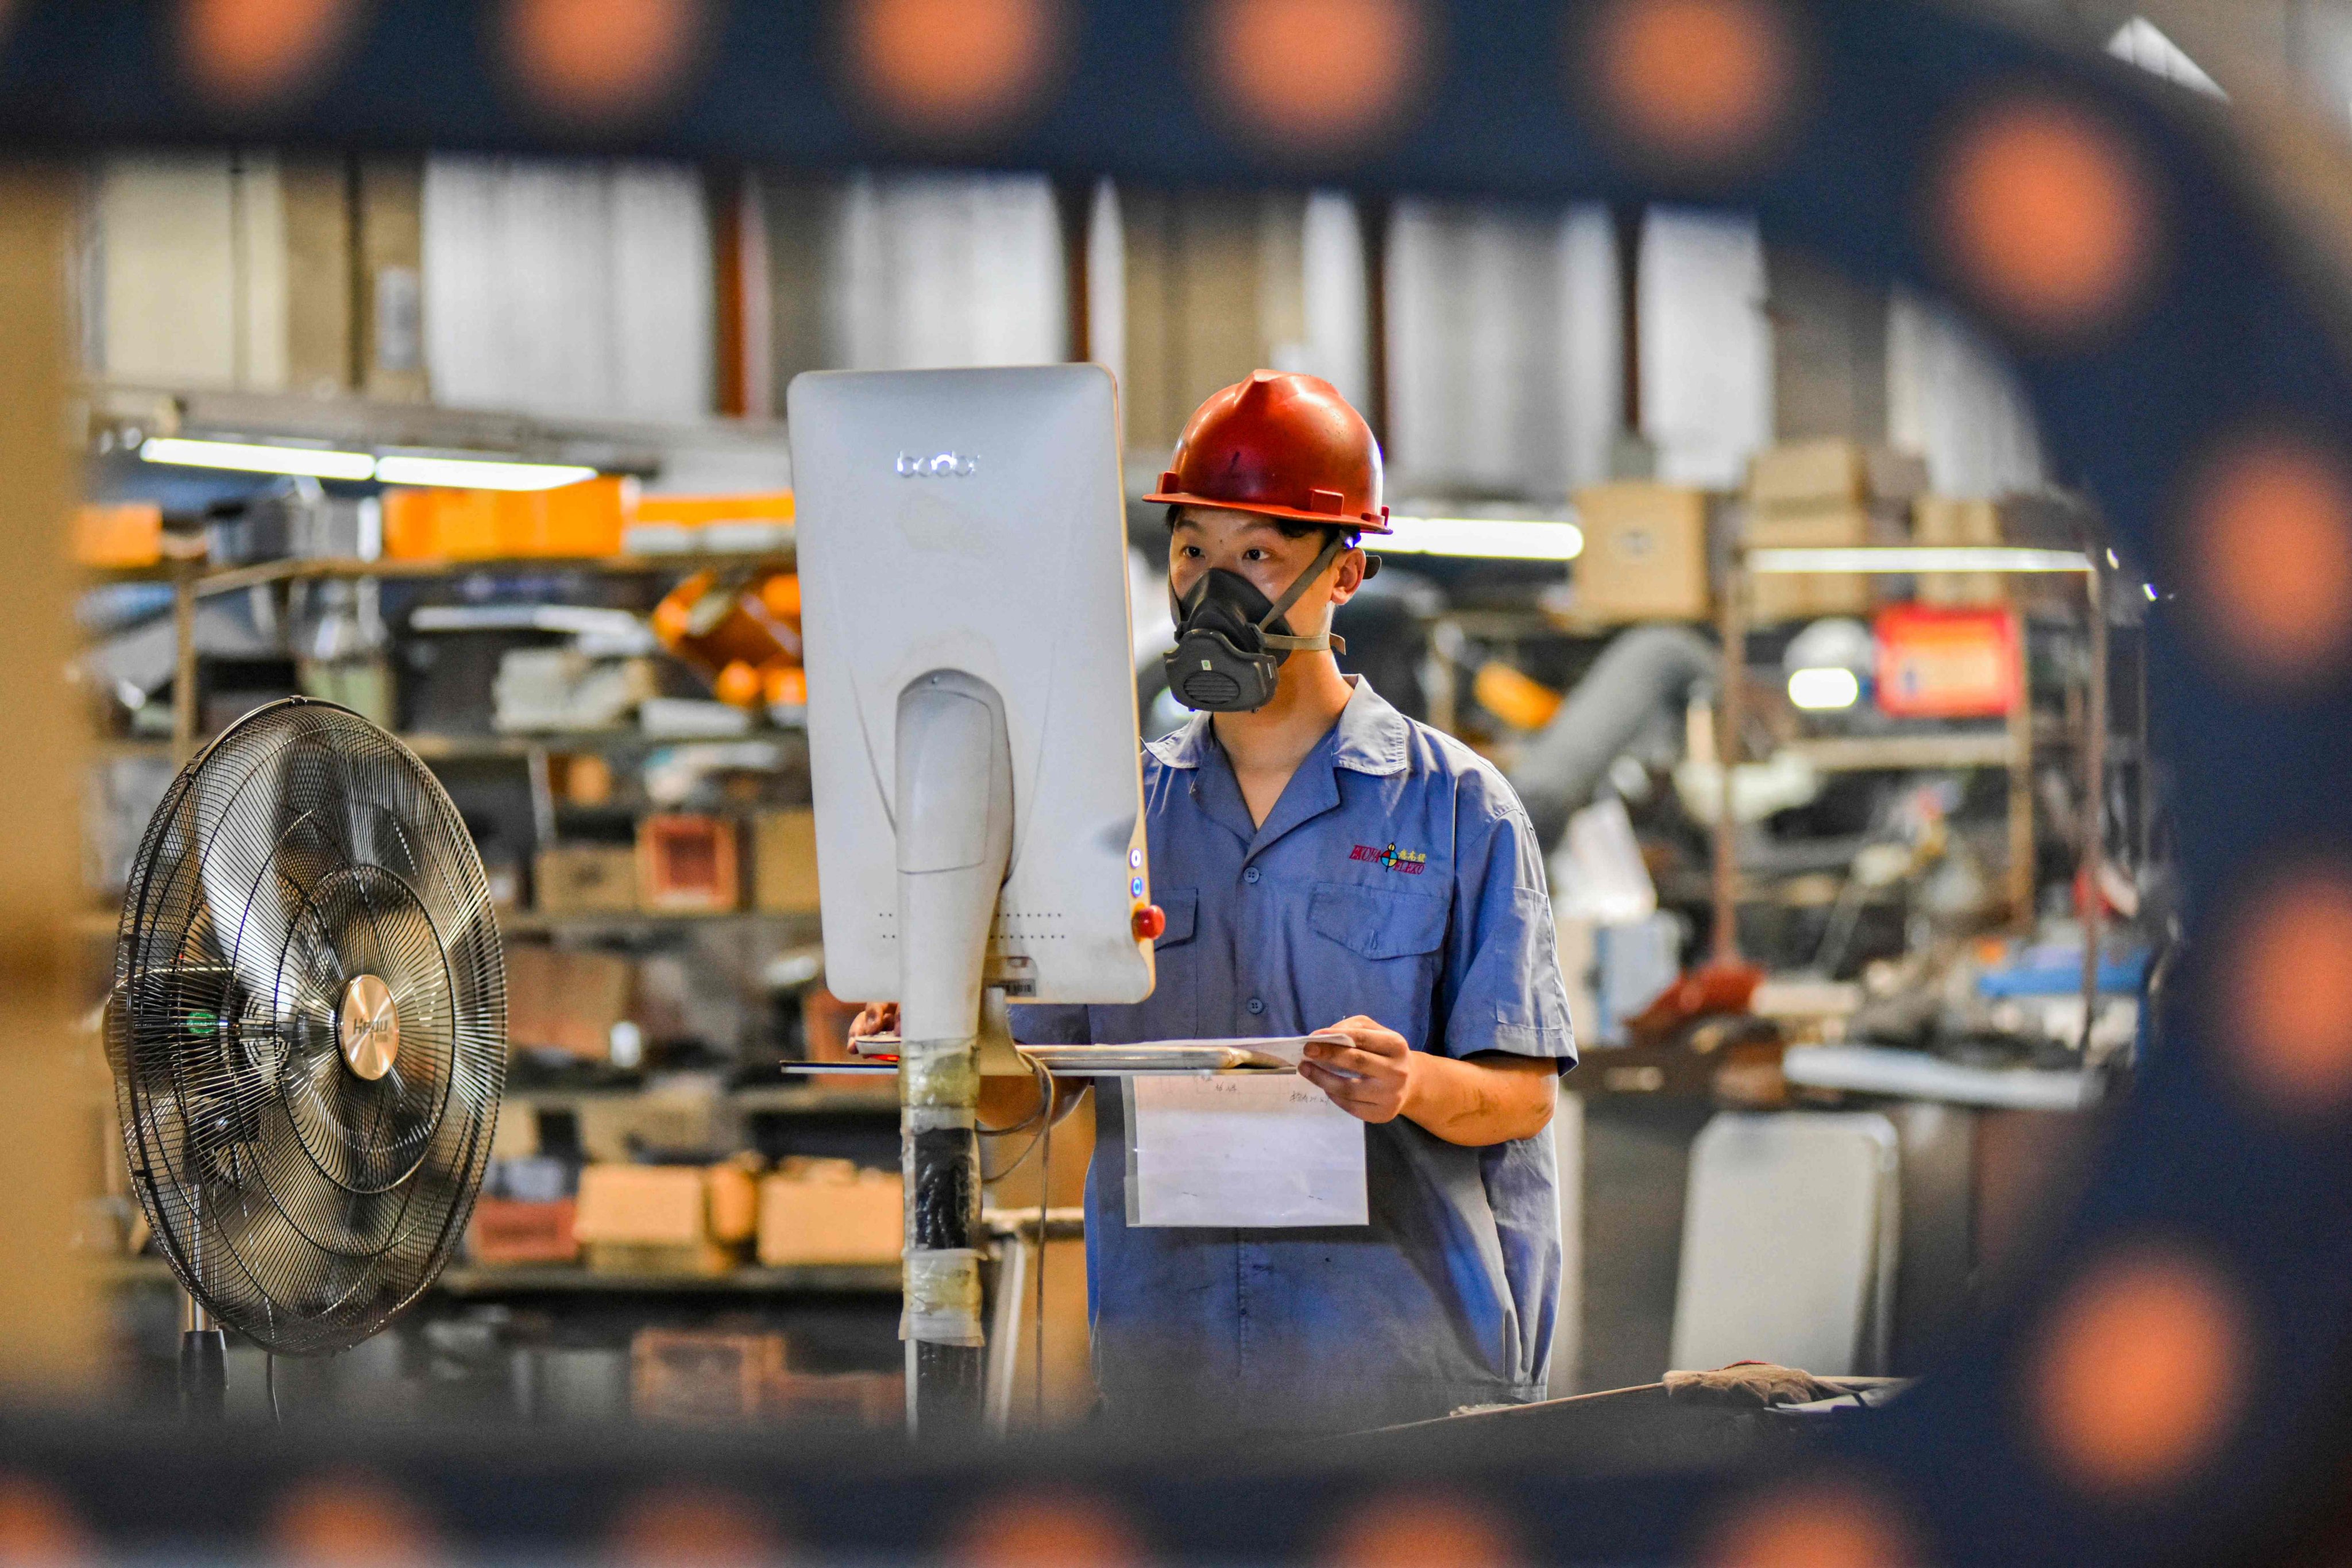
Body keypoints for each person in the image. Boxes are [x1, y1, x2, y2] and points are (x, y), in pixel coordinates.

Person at [854, 370, 1574, 1435]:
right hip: (1171, 1365)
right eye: (1195, 551)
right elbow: (1034, 1092)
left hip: (1399, 1368)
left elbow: (1522, 1096)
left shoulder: (1459, 807)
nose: (1214, 588)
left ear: (1345, 574)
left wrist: (1408, 1080)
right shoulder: (1110, 812)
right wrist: (941, 1045)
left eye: (1258, 558)